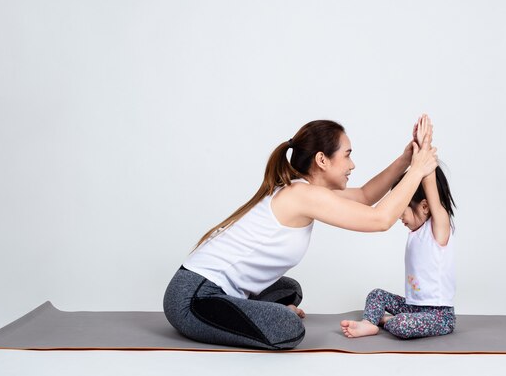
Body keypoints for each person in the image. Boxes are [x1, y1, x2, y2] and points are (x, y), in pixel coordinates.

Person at [163, 117, 438, 350]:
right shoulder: (301, 195)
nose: (352, 165)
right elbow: (379, 219)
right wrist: (418, 170)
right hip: (193, 298)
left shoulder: (301, 191)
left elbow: (366, 196)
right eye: (347, 154)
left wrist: (406, 160)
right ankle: (246, 313)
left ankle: (246, 309)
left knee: (289, 290)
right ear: (322, 160)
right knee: (289, 328)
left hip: (213, 289)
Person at [340, 115, 457, 340]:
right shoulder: (415, 232)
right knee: (376, 295)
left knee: (402, 325)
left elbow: (429, 184)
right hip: (414, 308)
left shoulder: (438, 229)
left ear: (424, 207)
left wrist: (425, 148)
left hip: (439, 316)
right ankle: (369, 323)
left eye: (403, 208)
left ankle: (385, 321)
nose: (399, 217)